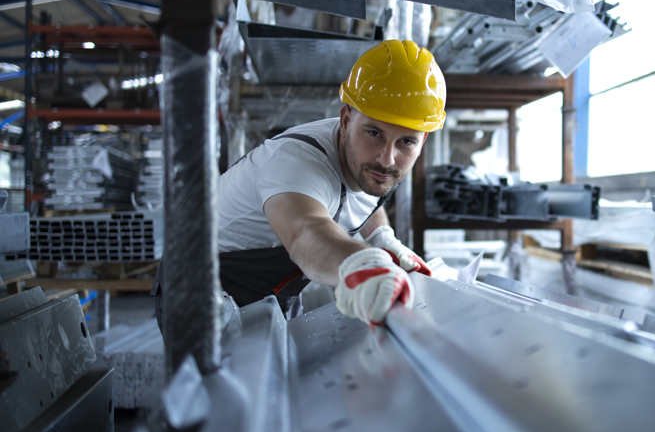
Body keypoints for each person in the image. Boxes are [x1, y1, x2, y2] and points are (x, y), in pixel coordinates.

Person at [154, 39, 446, 328]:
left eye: (406, 141)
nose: (387, 159)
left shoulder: (368, 164)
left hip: (277, 289)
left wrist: (382, 237)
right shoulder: (295, 164)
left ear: (423, 141)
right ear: (346, 120)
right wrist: (361, 263)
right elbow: (305, 233)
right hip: (204, 290)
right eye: (374, 134)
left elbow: (364, 201)